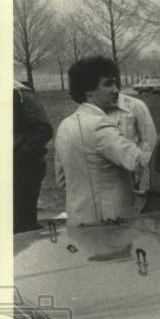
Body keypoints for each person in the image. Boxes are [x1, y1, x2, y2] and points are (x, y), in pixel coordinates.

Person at [54, 56, 152, 227]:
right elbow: (139, 161)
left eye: (115, 83)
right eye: (108, 84)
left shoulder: (65, 125)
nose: (116, 90)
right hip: (110, 222)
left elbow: (61, 179)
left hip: (77, 219)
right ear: (88, 90)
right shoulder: (100, 124)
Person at [13, 80, 53, 233]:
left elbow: (43, 129)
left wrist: (17, 155)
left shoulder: (19, 92)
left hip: (23, 168)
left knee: (22, 225)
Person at [110, 87, 157, 193]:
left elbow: (150, 140)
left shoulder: (135, 105)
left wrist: (140, 177)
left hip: (130, 172)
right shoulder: (93, 110)